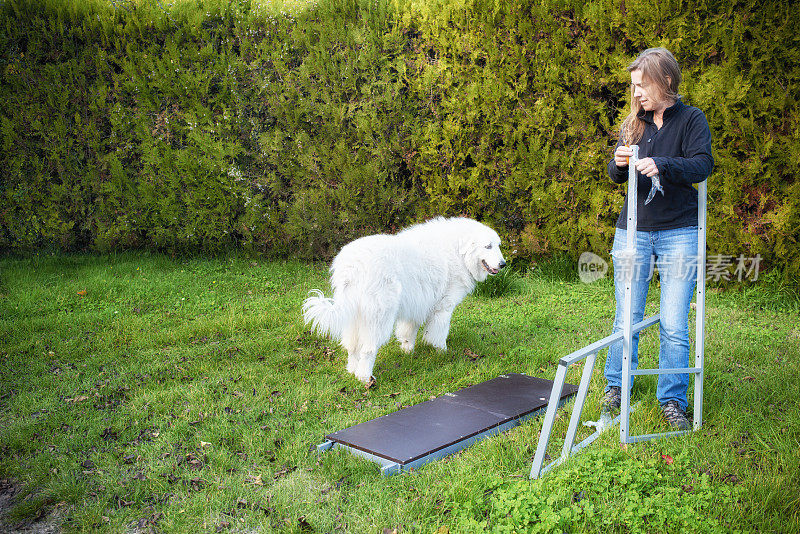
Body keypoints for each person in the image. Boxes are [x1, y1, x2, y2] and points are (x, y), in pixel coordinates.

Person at [601, 48, 714, 429]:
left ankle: (672, 400)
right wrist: (618, 165)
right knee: (626, 316)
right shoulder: (635, 122)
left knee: (673, 322)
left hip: (679, 234)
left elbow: (702, 164)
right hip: (632, 232)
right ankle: (616, 387)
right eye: (633, 87)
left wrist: (662, 164)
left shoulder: (691, 120)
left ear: (666, 81)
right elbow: (617, 176)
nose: (636, 95)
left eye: (642, 86)